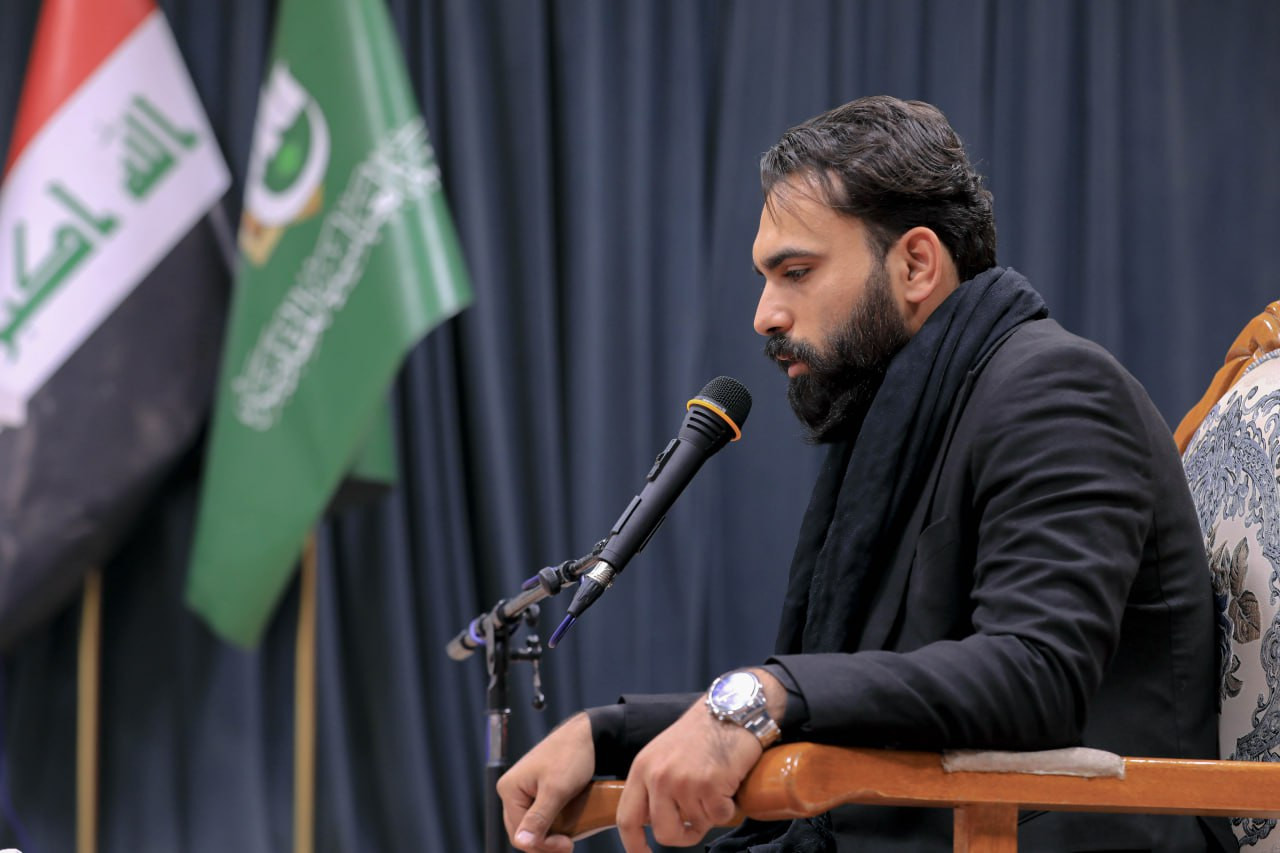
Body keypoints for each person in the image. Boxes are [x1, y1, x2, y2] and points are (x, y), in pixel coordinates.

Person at [497, 96, 1229, 852]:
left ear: (916, 264)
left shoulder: (1057, 390)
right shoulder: (904, 418)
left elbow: (1033, 674)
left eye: (797, 272)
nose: (765, 315)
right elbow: (875, 694)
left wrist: (763, 696)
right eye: (766, 278)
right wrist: (609, 736)